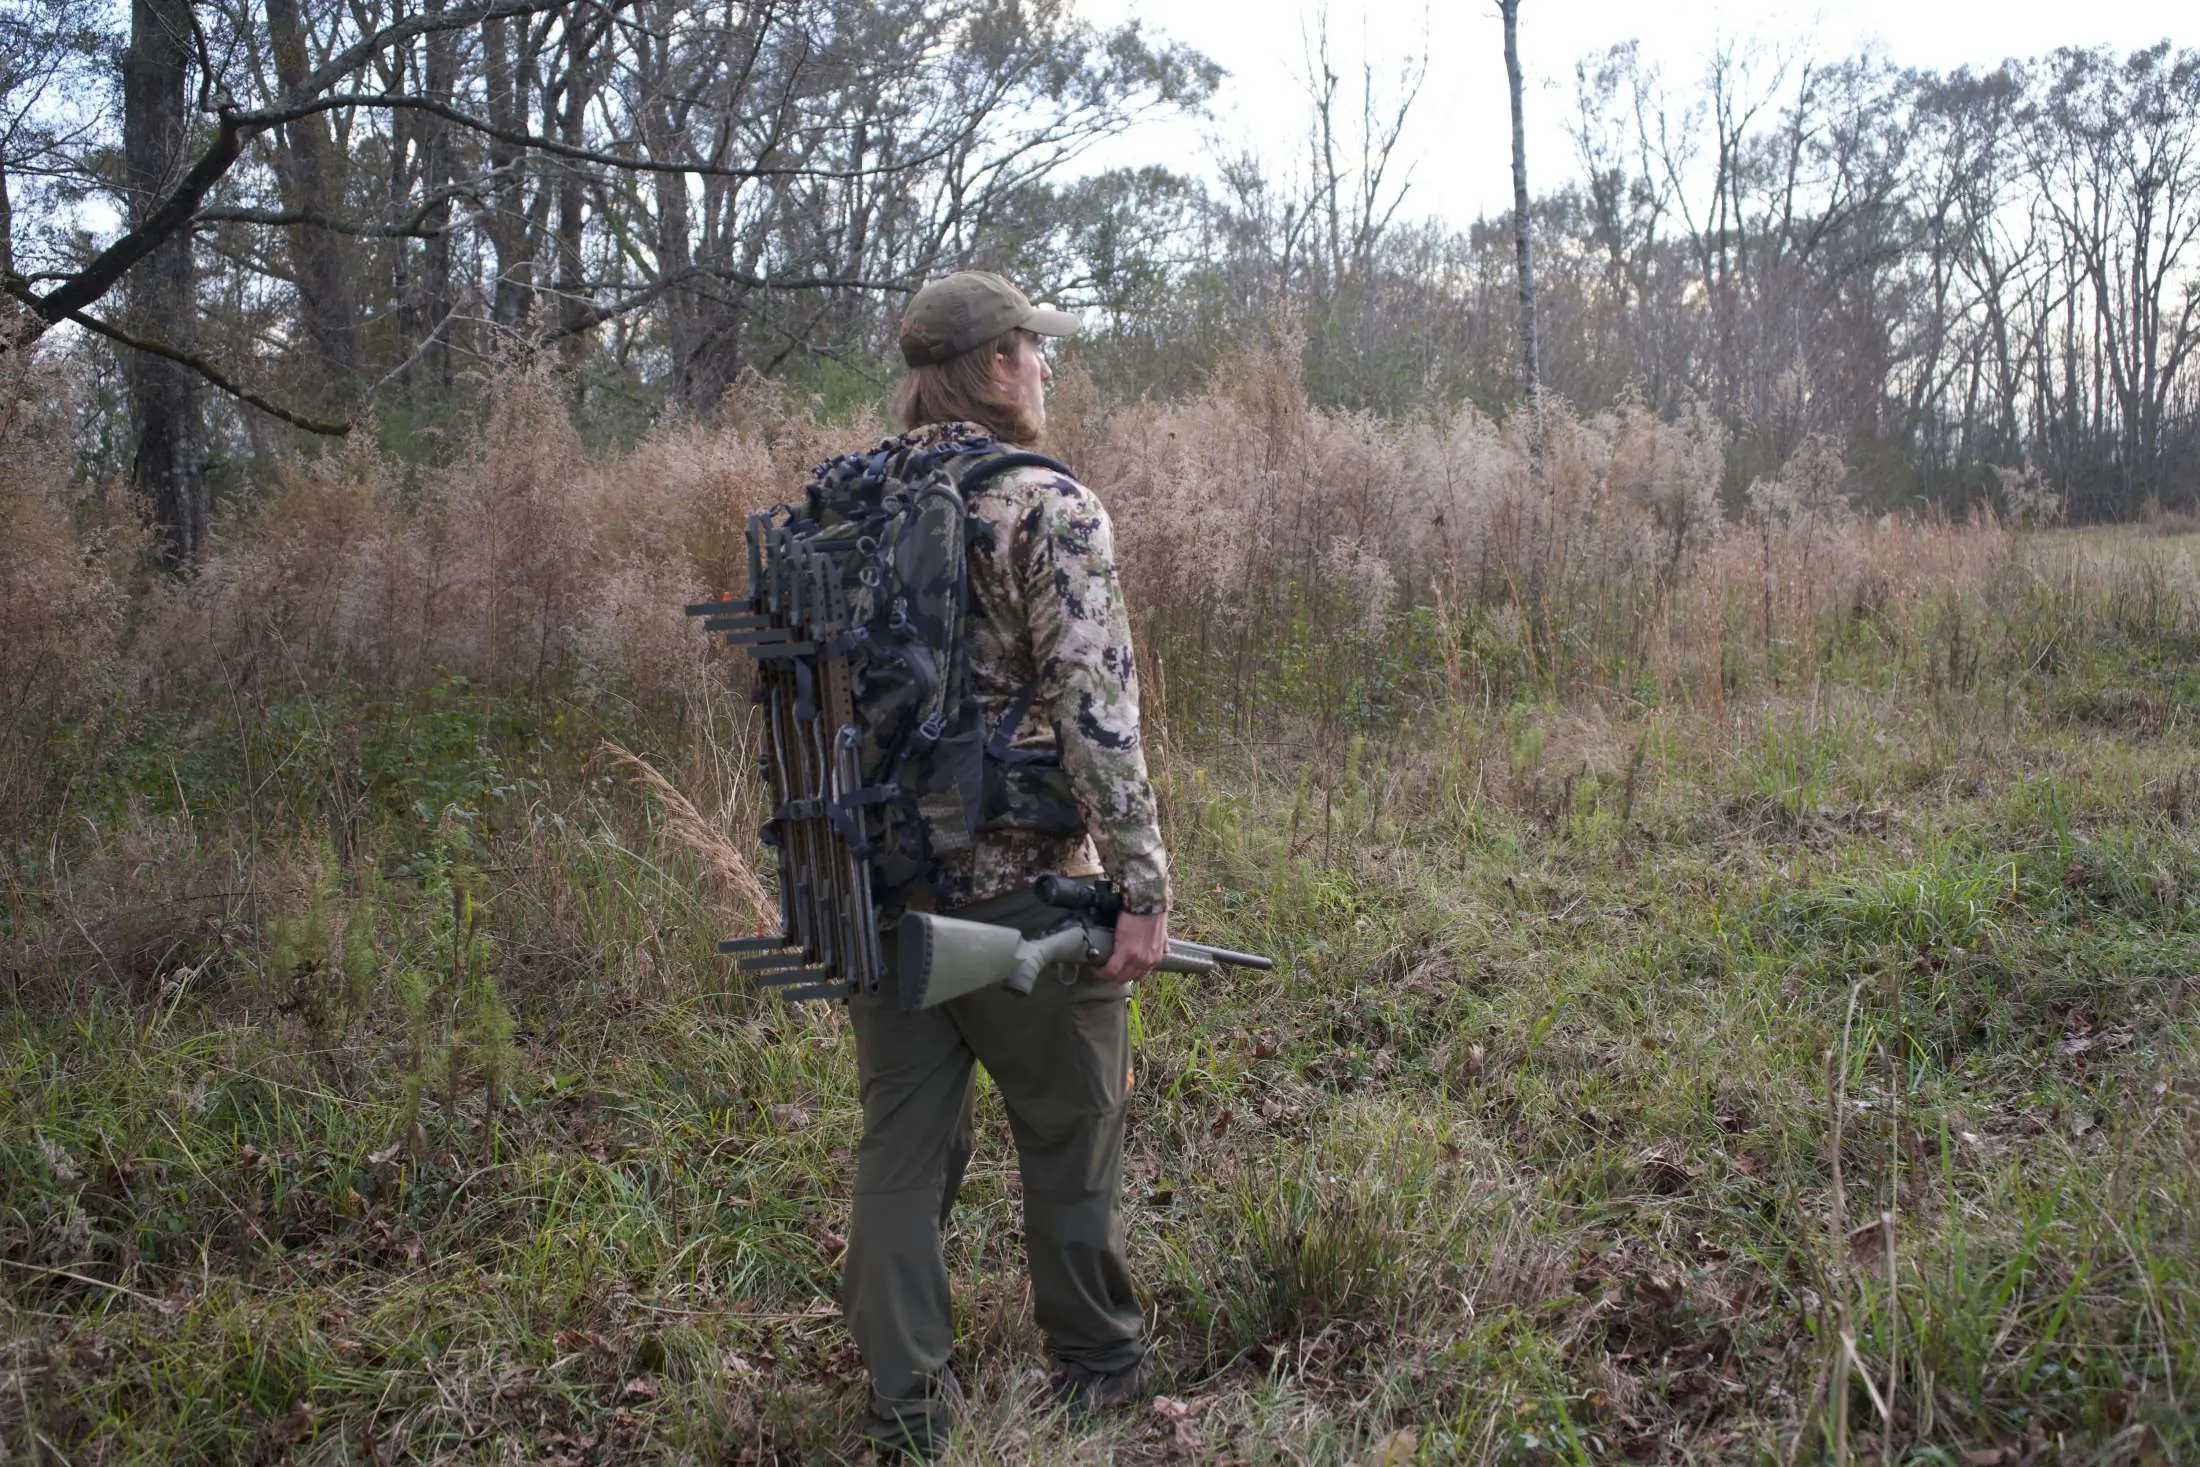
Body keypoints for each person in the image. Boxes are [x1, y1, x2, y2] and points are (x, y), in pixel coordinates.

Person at [840, 271, 1171, 1459]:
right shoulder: (1047, 506)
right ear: (990, 366)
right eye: (1035, 349)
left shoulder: (860, 499)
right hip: (1029, 888)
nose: (1045, 368)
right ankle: (1096, 1364)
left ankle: (905, 1411)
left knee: (901, 1152)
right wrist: (1141, 884)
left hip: (881, 891)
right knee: (1073, 1130)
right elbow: (1096, 708)